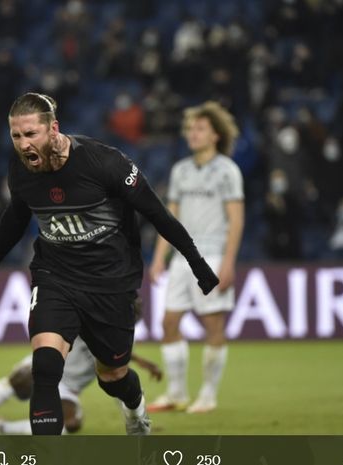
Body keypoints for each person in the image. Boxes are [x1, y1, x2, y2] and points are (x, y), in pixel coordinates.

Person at [0, 92, 219, 435]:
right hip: (56, 275)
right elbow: (16, 216)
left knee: (113, 377)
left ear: (53, 129)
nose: (23, 145)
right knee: (46, 368)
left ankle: (135, 412)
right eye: (16, 136)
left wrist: (197, 264)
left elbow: (158, 215)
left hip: (110, 282)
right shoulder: (20, 168)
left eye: (30, 134)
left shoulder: (104, 163)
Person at [147, 101, 244, 414]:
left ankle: (208, 394)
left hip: (213, 255)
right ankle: (176, 392)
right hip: (182, 258)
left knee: (212, 324)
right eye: (190, 128)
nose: (193, 133)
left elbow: (236, 219)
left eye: (200, 128)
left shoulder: (227, 171)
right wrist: (159, 257)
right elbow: (169, 219)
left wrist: (229, 262)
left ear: (215, 135)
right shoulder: (181, 171)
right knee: (169, 321)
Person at [0, 337, 163, 435]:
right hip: (49, 364)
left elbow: (118, 358)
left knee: (70, 423)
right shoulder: (92, 310)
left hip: (68, 386)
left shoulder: (115, 333)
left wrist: (143, 362)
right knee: (18, 380)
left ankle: (0, 428)